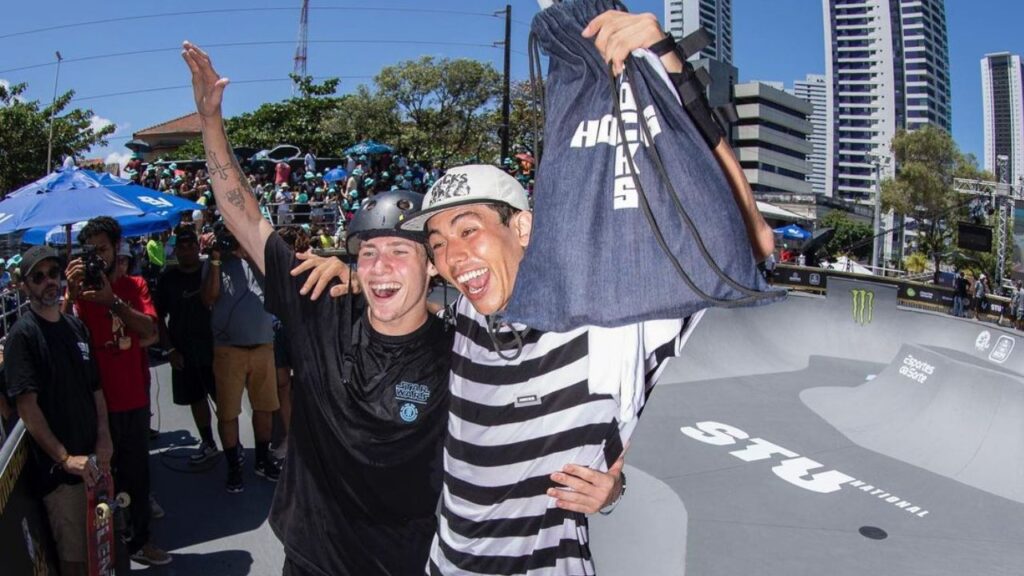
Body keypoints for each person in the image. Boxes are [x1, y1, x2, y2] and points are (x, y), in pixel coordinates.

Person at [183, 43, 620, 575]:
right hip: (309, 559)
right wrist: (210, 121)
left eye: (400, 252)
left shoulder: (461, 350)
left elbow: (542, 430)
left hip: (408, 564)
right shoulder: (319, 308)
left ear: (433, 265)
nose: (381, 267)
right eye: (368, 253)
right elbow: (246, 220)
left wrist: (611, 483)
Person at [392, 11, 775, 574]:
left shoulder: (610, 314)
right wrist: (353, 273)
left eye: (469, 230)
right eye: (439, 243)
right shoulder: (470, 311)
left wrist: (671, 65)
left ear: (522, 228)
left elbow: (750, 242)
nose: (453, 257)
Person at [64, 216, 171, 566]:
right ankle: (106, 550)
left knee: (137, 478)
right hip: (93, 405)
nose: (98, 257)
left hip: (132, 400)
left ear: (116, 249)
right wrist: (68, 297)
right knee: (99, 484)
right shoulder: (78, 294)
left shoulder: (135, 284)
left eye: (103, 249)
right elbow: (61, 341)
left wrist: (113, 302)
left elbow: (150, 333)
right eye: (90, 251)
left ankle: (140, 541)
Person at [5, 246, 113, 576]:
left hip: (96, 464)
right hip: (63, 477)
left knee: (102, 549)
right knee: (76, 559)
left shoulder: (75, 326)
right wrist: (65, 458)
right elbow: (27, 407)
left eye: (53, 274)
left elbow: (96, 389)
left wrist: (104, 439)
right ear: (24, 285)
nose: (48, 282)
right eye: (38, 277)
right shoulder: (22, 336)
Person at [200, 225, 280, 492]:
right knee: (228, 412)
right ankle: (233, 465)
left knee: (265, 407)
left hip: (263, 346)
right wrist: (215, 258)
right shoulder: (216, 263)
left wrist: (250, 250)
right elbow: (208, 298)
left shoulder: (260, 260)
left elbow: (277, 284)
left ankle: (262, 458)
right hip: (229, 349)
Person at [156, 226, 219, 464]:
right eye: (181, 247)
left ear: (197, 246)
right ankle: (208, 442)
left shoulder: (209, 271)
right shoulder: (167, 279)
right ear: (176, 251)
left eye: (190, 246)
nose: (186, 251)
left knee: (223, 400)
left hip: (213, 347)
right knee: (196, 399)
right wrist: (169, 349)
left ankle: (232, 445)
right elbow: (159, 317)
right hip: (182, 349)